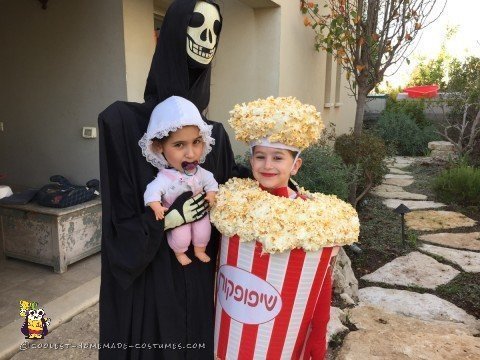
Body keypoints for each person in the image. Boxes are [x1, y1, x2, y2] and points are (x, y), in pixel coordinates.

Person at [98, 1, 248, 359]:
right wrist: (165, 220)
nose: (207, 38)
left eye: (215, 30)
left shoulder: (216, 136)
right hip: (149, 284)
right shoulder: (123, 124)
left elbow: (231, 191)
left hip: (196, 276)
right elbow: (118, 221)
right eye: (196, 25)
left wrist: (275, 177)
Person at [212, 97, 359, 359]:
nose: (267, 165)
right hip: (228, 334)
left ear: (295, 165)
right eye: (260, 156)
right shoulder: (233, 199)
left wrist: (318, 332)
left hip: (281, 340)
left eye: (278, 157)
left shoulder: (310, 217)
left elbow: (321, 281)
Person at [140, 96, 218, 265]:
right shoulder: (165, 177)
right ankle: (180, 252)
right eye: (179, 145)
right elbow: (153, 191)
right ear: (159, 147)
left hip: (199, 211)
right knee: (181, 236)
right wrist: (156, 206)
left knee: (203, 232)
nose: (191, 154)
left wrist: (211, 194)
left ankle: (200, 249)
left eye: (196, 142)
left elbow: (210, 181)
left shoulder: (200, 172)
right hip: (177, 215)